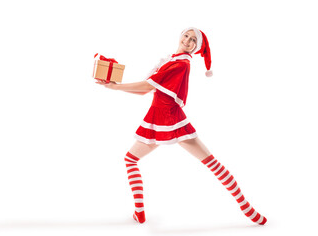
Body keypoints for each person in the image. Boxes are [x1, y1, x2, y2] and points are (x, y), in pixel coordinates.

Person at [95, 27, 267, 225]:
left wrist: (114, 87)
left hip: (170, 118)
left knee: (212, 163)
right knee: (131, 159)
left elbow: (148, 86)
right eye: (186, 35)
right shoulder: (171, 59)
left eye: (193, 40)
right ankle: (139, 213)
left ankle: (248, 209)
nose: (187, 40)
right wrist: (114, 85)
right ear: (180, 36)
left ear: (196, 47)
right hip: (158, 116)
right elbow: (146, 90)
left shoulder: (182, 64)